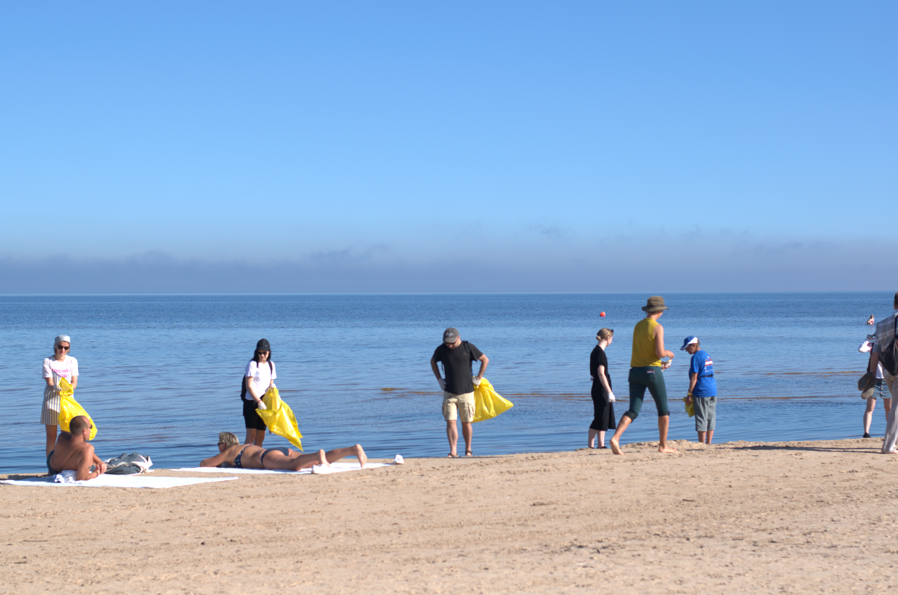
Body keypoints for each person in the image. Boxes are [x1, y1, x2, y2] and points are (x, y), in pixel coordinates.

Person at [609, 296, 676, 455]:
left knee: (633, 410)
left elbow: (643, 353)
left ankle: (616, 438)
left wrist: (659, 364)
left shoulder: (638, 325)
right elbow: (659, 353)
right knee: (663, 410)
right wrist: (669, 354)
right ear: (659, 311)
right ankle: (663, 446)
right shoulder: (658, 327)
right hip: (651, 372)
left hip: (635, 371)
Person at [430, 327, 489, 457]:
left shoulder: (468, 347)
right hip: (449, 392)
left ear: (458, 338)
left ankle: (468, 450)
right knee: (450, 421)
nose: (449, 345)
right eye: (447, 342)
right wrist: (439, 379)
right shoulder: (441, 349)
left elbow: (485, 360)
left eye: (452, 342)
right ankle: (453, 451)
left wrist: (479, 378)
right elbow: (432, 361)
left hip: (467, 392)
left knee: (466, 422)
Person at [200, 432, 367, 472]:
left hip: (265, 457)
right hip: (278, 450)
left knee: (294, 466)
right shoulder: (243, 446)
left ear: (224, 444)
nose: (218, 446)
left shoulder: (228, 453)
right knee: (312, 462)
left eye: (219, 443)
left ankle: (317, 454)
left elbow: (205, 464)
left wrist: (220, 460)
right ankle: (353, 449)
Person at [41, 335, 79, 456]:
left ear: (69, 349)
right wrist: (56, 387)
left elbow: (74, 383)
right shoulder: (48, 361)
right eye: (60, 347)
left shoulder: (72, 360)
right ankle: (51, 466)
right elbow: (50, 382)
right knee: (51, 437)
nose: (62, 350)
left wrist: (66, 388)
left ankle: (64, 465)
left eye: (66, 348)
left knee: (67, 435)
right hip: (51, 400)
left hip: (67, 401)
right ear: (55, 346)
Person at [871, 293, 898, 453]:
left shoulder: (881, 324)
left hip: (888, 369)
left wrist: (872, 373)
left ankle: (891, 442)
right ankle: (888, 445)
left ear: (894, 304)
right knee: (896, 406)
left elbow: (876, 351)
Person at [682, 336, 718, 444]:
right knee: (711, 417)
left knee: (701, 417)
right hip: (712, 388)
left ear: (693, 345)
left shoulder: (695, 357)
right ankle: (709, 443)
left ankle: (702, 444)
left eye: (687, 347)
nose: (686, 350)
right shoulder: (707, 355)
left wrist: (689, 394)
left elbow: (694, 377)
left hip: (702, 389)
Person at [47, 415, 107, 480]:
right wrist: (96, 473)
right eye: (90, 427)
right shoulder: (88, 448)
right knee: (92, 464)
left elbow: (77, 447)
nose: (90, 430)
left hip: (52, 468)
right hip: (66, 470)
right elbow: (81, 478)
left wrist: (99, 461)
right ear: (84, 431)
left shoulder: (62, 436)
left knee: (86, 455)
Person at [242, 338, 276, 447]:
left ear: (269, 352)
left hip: (264, 404)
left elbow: (271, 384)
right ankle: (243, 459)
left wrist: (274, 395)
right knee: (251, 436)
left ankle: (255, 461)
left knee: (260, 438)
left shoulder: (271, 365)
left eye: (264, 353)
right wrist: (259, 402)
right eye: (259, 352)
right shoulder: (252, 364)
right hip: (252, 402)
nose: (262, 355)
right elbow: (249, 386)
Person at [588, 328, 617, 449]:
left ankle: (600, 444)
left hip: (598, 386)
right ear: (608, 338)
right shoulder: (600, 353)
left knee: (603, 416)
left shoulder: (596, 351)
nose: (612, 340)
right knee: (600, 416)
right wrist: (609, 391)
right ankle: (592, 445)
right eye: (612, 338)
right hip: (601, 388)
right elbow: (601, 373)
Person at [860, 338, 892, 438]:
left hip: (888, 380)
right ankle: (866, 433)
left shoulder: (891, 346)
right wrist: (868, 339)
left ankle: (889, 432)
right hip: (873, 380)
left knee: (889, 409)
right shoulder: (873, 345)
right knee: (870, 407)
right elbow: (861, 349)